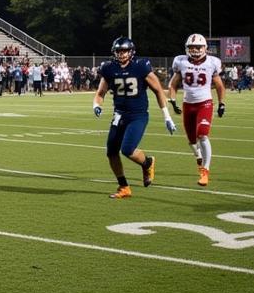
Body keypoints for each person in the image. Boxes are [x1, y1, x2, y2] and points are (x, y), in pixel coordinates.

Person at [92, 36, 176, 198]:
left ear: (131, 52)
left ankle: (147, 163)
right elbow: (100, 93)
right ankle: (124, 187)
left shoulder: (140, 66)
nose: (122, 54)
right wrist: (96, 105)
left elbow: (158, 90)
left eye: (124, 51)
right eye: (119, 51)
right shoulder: (109, 68)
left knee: (128, 149)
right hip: (119, 115)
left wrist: (167, 116)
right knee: (111, 152)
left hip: (137, 115)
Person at [167, 33, 226, 187]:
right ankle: (199, 158)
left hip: (204, 103)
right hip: (188, 104)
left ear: (205, 47)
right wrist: (172, 101)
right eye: (192, 47)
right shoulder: (180, 62)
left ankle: (205, 171)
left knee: (203, 134)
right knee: (192, 140)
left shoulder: (212, 62)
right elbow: (173, 84)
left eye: (198, 47)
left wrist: (221, 103)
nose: (195, 50)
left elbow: (219, 85)